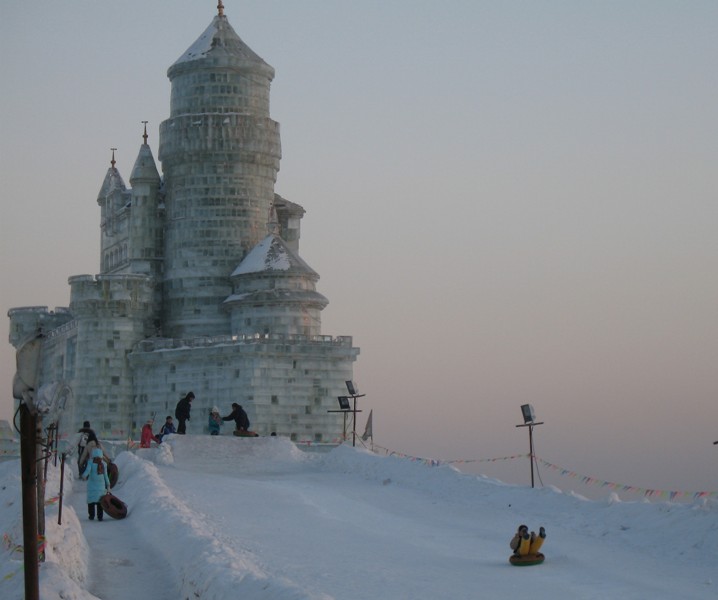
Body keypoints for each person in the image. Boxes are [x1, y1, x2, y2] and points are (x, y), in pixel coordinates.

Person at [82, 447, 110, 521]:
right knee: (100, 502)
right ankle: (100, 517)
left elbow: (87, 471)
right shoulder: (103, 464)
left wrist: (84, 476)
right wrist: (108, 484)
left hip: (92, 486)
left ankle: (91, 516)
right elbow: (106, 475)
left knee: (91, 502)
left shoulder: (90, 462)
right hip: (101, 487)